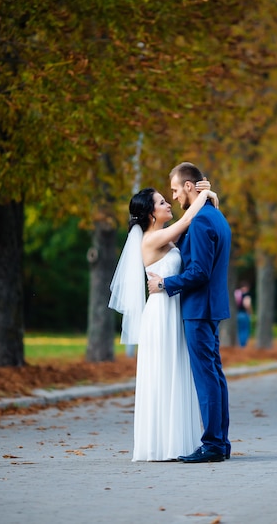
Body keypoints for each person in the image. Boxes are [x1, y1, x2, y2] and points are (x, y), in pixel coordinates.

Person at [108, 184, 218, 462]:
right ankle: (160, 445)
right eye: (161, 202)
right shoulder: (150, 240)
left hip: (174, 311)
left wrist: (210, 200)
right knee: (163, 374)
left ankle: (178, 443)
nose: (169, 204)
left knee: (177, 373)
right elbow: (187, 220)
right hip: (159, 316)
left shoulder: (166, 239)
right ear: (150, 214)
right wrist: (204, 193)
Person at [148, 162, 232, 463]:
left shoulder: (200, 222)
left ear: (188, 186)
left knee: (207, 376)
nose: (172, 197)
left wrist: (164, 284)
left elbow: (198, 272)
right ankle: (220, 443)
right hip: (211, 307)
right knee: (215, 375)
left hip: (198, 309)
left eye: (174, 190)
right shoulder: (215, 216)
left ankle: (212, 444)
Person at [235, 283, 253, 347]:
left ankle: (239, 344)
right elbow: (247, 304)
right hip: (244, 314)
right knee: (244, 330)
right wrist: (250, 312)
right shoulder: (246, 294)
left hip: (237, 314)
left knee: (239, 330)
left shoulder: (237, 294)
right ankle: (242, 345)